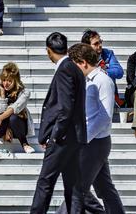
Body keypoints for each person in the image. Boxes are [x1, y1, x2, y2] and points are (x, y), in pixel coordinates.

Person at [29, 32, 87, 214]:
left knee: (45, 182)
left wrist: (54, 136)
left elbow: (65, 108)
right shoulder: (75, 68)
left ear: (48, 50)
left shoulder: (64, 69)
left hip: (63, 138)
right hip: (74, 137)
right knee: (74, 185)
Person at [68, 43, 126, 214]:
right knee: (105, 189)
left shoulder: (103, 81)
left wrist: (82, 138)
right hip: (92, 141)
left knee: (76, 189)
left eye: (74, 64)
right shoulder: (87, 80)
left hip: (94, 143)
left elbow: (104, 117)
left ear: (83, 62)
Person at [0, 62, 34, 154]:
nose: (5, 84)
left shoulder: (24, 92)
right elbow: (0, 111)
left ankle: (25, 144)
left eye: (9, 81)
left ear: (16, 80)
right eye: (4, 80)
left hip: (18, 127)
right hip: (2, 127)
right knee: (1, 115)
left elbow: (14, 108)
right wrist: (3, 95)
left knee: (13, 117)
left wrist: (0, 117)